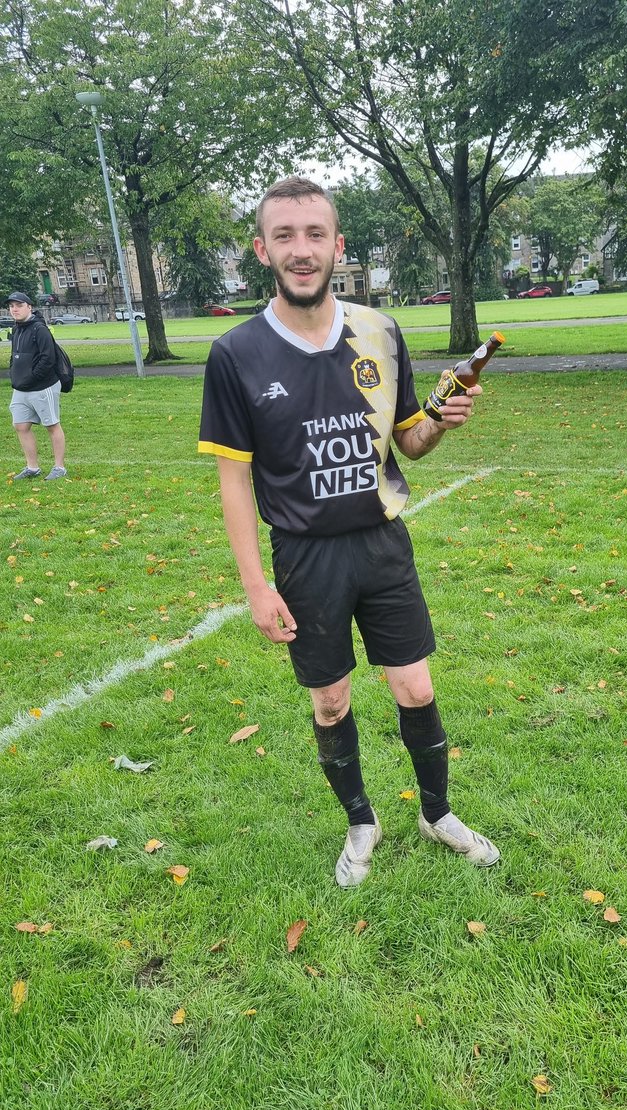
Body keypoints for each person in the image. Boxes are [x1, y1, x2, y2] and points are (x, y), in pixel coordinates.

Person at [198, 177, 500, 887]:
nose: (301, 250)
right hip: (305, 556)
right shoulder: (236, 353)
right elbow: (234, 481)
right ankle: (362, 821)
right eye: (284, 236)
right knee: (330, 699)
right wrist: (255, 587)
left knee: (416, 688)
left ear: (338, 245)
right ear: (262, 250)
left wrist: (442, 420)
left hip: (381, 543)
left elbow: (409, 442)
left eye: (314, 235)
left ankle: (436, 812)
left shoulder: (380, 332)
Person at [6, 291, 67, 480]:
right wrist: (14, 374)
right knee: (20, 425)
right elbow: (14, 356)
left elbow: (48, 359)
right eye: (11, 306)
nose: (14, 309)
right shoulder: (17, 329)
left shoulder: (39, 329)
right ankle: (32, 468)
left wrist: (32, 378)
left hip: (43, 387)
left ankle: (59, 467)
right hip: (21, 388)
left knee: (52, 425)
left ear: (29, 307)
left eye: (19, 305)